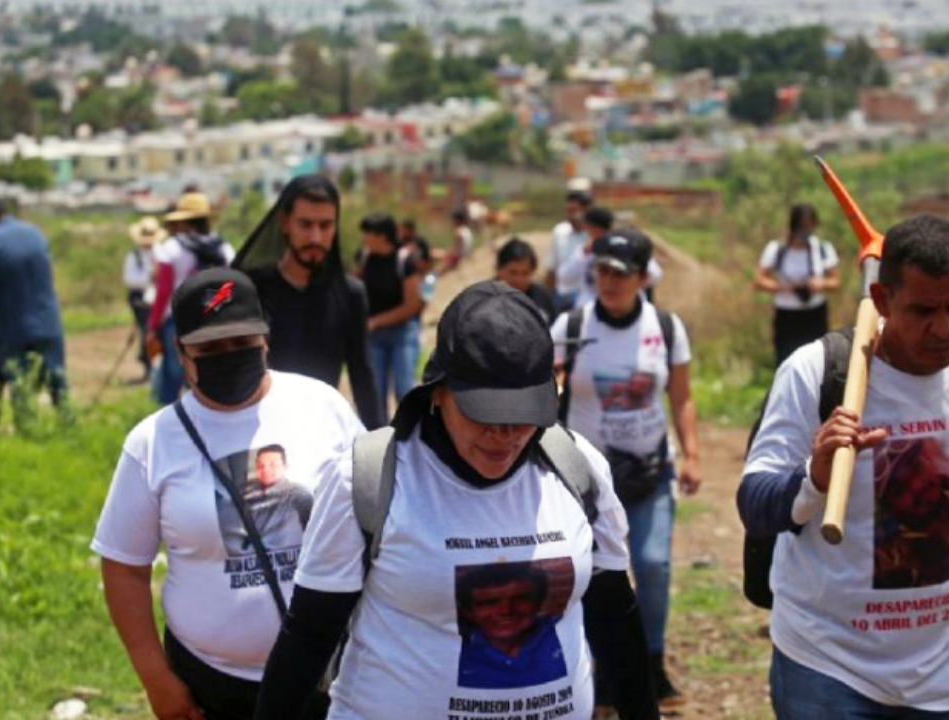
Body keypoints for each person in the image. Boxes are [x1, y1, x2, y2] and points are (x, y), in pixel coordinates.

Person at [254, 282, 660, 720]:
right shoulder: (370, 479)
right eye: (484, 413)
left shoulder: (578, 468)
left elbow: (615, 620)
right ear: (438, 390)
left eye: (523, 415)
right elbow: (310, 636)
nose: (504, 434)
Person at [738, 215, 949, 720]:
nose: (945, 328)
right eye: (923, 310)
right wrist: (814, 477)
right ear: (881, 301)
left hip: (942, 678)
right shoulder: (817, 373)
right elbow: (755, 505)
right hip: (826, 666)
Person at [93, 268, 364, 720]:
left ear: (266, 339)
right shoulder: (153, 443)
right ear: (181, 353)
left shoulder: (321, 406)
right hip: (211, 687)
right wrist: (157, 681)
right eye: (211, 349)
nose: (229, 356)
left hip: (327, 677)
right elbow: (123, 567)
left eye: (242, 344)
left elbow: (373, 513)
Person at [549, 228, 701, 710]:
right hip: (586, 481)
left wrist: (692, 452)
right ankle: (602, 674)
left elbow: (681, 394)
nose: (608, 280)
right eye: (602, 270)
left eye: (620, 272)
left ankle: (651, 665)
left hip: (651, 471)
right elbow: (546, 392)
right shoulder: (570, 327)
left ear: (642, 277)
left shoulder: (668, 328)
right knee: (591, 573)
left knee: (653, 565)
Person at [236, 175, 384, 429]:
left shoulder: (350, 294)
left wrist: (383, 442)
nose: (315, 237)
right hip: (259, 432)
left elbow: (361, 374)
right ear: (285, 223)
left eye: (325, 226)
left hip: (320, 432)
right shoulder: (253, 289)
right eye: (305, 225)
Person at [0, 194, 68, 431]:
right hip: (49, 323)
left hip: (13, 329)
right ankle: (69, 428)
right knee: (58, 384)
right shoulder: (35, 234)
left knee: (21, 386)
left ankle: (29, 434)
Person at [146, 192, 236, 405]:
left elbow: (164, 290)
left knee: (173, 374)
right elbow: (230, 286)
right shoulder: (223, 248)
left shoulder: (171, 248)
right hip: (214, 320)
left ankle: (168, 422)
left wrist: (152, 324)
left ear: (183, 221)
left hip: (177, 321)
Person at [753, 204, 841, 367]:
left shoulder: (822, 249)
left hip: (815, 314)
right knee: (786, 361)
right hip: (787, 316)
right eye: (802, 225)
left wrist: (820, 284)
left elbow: (835, 281)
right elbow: (759, 280)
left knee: (818, 362)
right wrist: (783, 287)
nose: (805, 230)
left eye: (810, 226)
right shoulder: (777, 249)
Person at [457, 562, 566, 690]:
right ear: (468, 612)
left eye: (520, 598)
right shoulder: (453, 651)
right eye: (489, 602)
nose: (506, 610)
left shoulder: (563, 632)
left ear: (539, 603)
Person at [356, 212, 424, 414]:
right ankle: (382, 441)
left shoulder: (404, 261)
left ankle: (410, 438)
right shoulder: (365, 258)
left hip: (402, 333)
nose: (365, 238)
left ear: (382, 236)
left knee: (404, 389)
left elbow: (412, 305)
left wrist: (377, 321)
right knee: (376, 393)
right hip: (374, 337)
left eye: (368, 233)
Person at [558, 209, 664, 310]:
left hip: (630, 314)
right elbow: (564, 279)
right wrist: (583, 255)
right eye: (602, 271)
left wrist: (626, 269)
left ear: (597, 228)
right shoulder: (585, 250)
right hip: (588, 314)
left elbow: (655, 275)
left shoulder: (628, 246)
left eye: (589, 227)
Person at [125, 216, 163, 383]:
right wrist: (149, 276)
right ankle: (148, 368)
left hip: (160, 297)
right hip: (140, 299)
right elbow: (129, 279)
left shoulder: (162, 252)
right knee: (147, 332)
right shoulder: (134, 256)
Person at [546, 190, 593, 312]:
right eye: (569, 211)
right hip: (561, 297)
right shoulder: (559, 231)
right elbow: (552, 268)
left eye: (576, 211)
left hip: (586, 299)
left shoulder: (594, 235)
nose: (571, 216)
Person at [495, 237, 556, 324]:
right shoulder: (485, 299)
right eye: (513, 273)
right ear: (499, 270)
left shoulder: (541, 298)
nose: (519, 279)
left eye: (525, 273)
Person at [443, 208, 473, 273]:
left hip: (460, 257)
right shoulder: (466, 230)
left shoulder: (459, 231)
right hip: (465, 254)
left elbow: (457, 247)